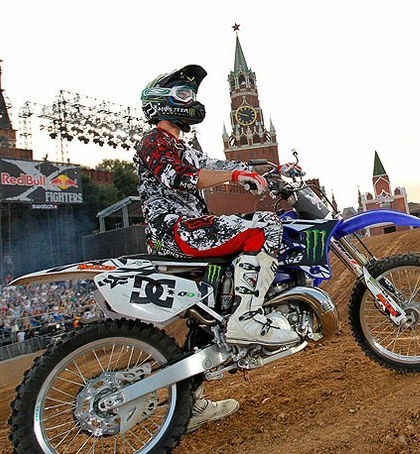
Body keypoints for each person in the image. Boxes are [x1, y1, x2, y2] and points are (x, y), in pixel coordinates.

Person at [135, 64, 300, 432]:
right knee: (264, 228)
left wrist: (266, 169)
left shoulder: (181, 145)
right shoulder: (154, 141)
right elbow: (178, 176)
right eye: (182, 95)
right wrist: (237, 175)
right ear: (161, 103)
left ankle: (190, 406)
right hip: (174, 231)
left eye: (191, 94)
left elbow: (215, 163)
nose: (191, 101)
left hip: (186, 232)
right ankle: (249, 318)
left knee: (206, 319)